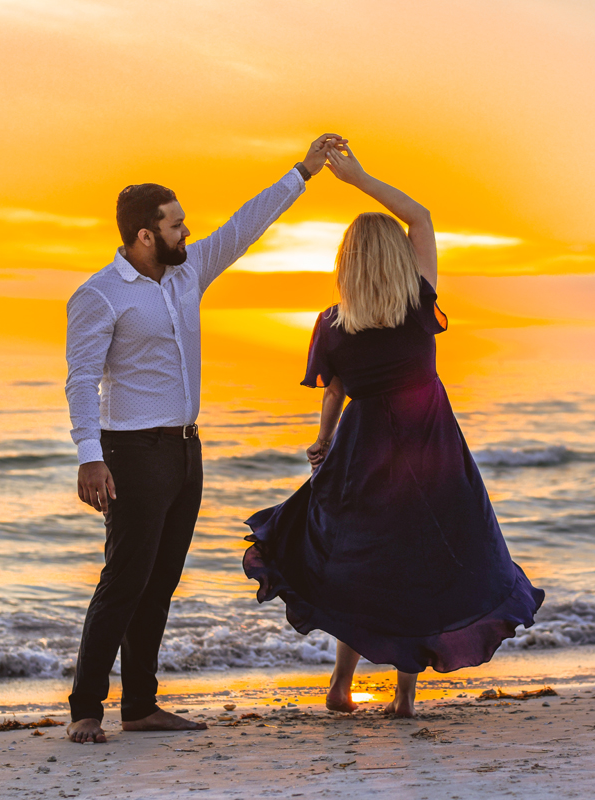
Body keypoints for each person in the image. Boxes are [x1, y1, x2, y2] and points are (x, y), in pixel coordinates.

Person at [242, 144, 545, 717]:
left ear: (347, 264)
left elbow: (333, 393)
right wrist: (357, 178)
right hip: (432, 450)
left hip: (365, 455)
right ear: (396, 258)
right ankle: (404, 697)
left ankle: (339, 685)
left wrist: (325, 441)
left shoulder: (332, 324)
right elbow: (422, 217)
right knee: (420, 568)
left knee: (360, 572)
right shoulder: (417, 304)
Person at [64, 134, 347, 743]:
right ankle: (86, 707)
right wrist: (90, 459)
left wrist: (303, 172)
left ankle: (140, 706)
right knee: (124, 580)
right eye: (175, 226)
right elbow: (81, 380)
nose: (186, 233)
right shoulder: (98, 295)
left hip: (187, 450)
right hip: (131, 452)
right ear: (145, 234)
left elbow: (246, 225)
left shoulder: (187, 273)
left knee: (161, 582)